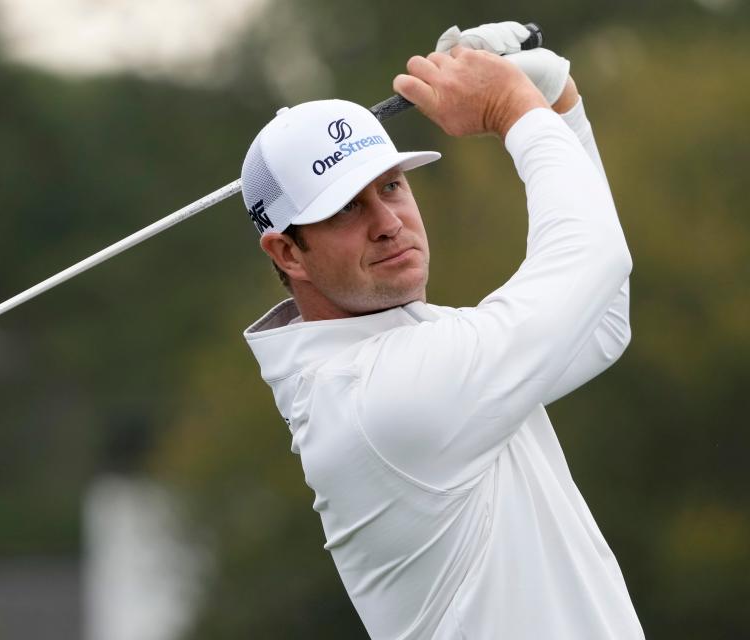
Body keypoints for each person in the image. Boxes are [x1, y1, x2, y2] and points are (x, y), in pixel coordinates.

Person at [240, 22, 644, 640]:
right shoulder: (378, 395)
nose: (387, 222)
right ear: (288, 254)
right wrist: (515, 108)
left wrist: (559, 107)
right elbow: (594, 261)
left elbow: (600, 319)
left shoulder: (407, 356)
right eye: (346, 207)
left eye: (392, 187)